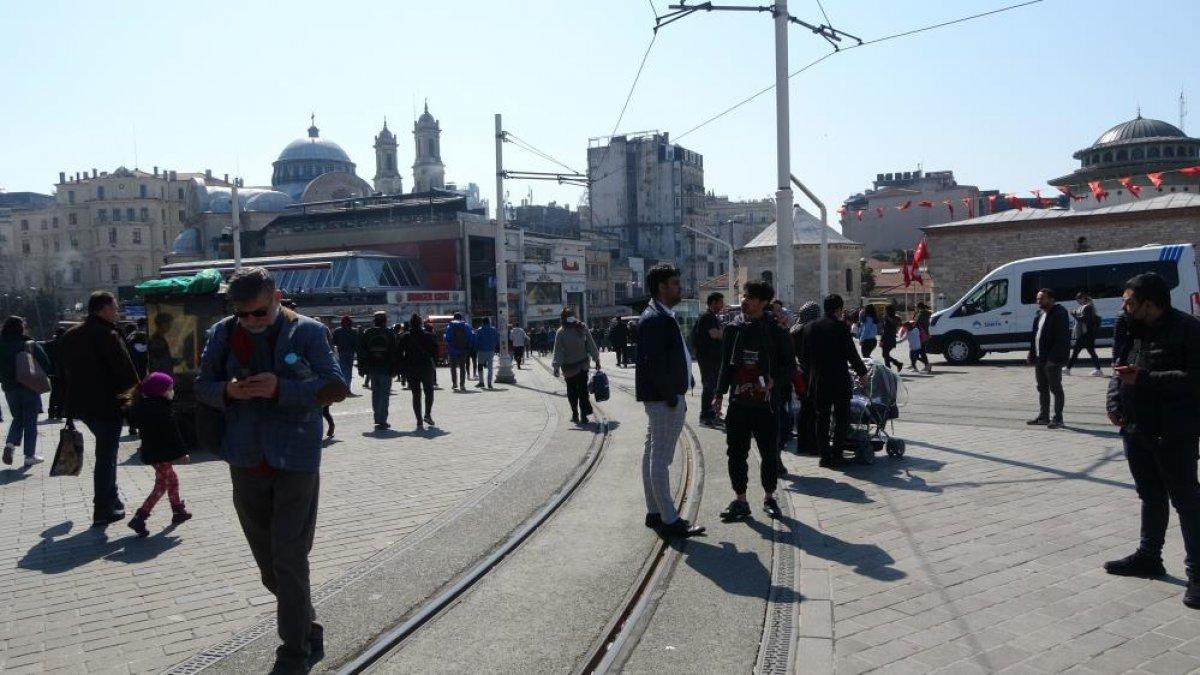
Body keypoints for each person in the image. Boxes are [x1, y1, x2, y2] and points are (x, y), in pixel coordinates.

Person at [195, 267, 345, 670]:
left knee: (289, 556)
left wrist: (281, 389)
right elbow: (201, 386)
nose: (250, 321)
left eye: (258, 313)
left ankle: (294, 649)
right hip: (245, 458)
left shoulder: (308, 331)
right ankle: (306, 624)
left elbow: (335, 387)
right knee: (270, 566)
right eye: (242, 314)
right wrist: (228, 390)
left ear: (276, 298)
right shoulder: (222, 333)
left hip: (296, 458)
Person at [1104, 272, 1200, 609]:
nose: (1124, 307)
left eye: (1129, 302)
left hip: (1175, 430)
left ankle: (1197, 574)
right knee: (1150, 494)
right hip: (1137, 428)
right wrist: (1114, 402)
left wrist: (1144, 379)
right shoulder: (1130, 327)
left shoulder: (1188, 329)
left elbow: (1194, 379)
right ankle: (1149, 556)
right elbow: (1119, 367)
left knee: (1187, 501)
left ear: (1150, 304)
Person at [713, 280, 792, 520]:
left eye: (751, 297)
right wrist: (719, 394)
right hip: (738, 402)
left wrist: (774, 381)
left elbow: (789, 367)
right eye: (744, 296)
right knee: (736, 453)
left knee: (769, 453)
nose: (745, 300)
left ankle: (769, 497)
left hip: (767, 404)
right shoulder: (733, 329)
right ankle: (740, 500)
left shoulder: (777, 329)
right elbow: (725, 365)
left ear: (764, 302)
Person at [60, 292, 141, 526]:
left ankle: (112, 500)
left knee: (106, 452)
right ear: (104, 308)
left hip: (82, 405)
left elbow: (63, 372)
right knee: (106, 455)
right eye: (115, 307)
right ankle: (103, 508)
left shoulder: (71, 335)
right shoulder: (108, 335)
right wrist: (138, 397)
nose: (117, 311)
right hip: (107, 405)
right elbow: (125, 371)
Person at [635, 264, 704, 538]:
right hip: (664, 400)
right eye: (675, 283)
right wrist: (671, 396)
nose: (680, 287)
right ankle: (669, 519)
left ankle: (655, 512)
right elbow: (654, 364)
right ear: (662, 287)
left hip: (662, 397)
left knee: (652, 453)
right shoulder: (656, 319)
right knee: (660, 458)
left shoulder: (660, 315)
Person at [799, 294, 868, 469]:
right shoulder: (841, 327)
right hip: (839, 379)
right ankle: (837, 455)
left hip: (818, 380)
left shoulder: (810, 327)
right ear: (839, 309)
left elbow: (804, 356)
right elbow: (851, 353)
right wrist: (862, 373)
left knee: (821, 418)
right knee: (841, 418)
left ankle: (824, 456)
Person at [126, 372, 192, 537]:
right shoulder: (162, 410)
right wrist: (182, 453)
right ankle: (140, 517)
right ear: (160, 392)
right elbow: (173, 434)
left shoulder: (145, 406)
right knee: (162, 485)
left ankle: (177, 510)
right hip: (160, 454)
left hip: (153, 453)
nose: (172, 391)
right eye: (170, 388)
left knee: (172, 480)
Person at [0, 316, 52, 467]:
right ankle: (29, 455)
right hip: (29, 386)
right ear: (21, 328)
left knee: (18, 418)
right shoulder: (28, 343)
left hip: (10, 388)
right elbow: (46, 363)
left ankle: (10, 444)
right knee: (30, 420)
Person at [1026, 288, 1070, 429]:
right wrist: (1031, 353)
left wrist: (1053, 358)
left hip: (1053, 359)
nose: (1038, 301)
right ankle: (1043, 417)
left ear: (1051, 299)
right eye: (1038, 299)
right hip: (1040, 358)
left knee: (1055, 388)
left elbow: (1062, 339)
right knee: (1042, 388)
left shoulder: (1060, 314)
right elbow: (1035, 336)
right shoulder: (1039, 314)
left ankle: (1058, 418)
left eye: (1042, 298)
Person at [552, 307, 601, 424]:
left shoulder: (561, 331)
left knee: (572, 391)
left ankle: (576, 414)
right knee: (582, 391)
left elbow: (558, 351)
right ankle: (583, 415)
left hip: (569, 367)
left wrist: (556, 366)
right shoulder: (581, 327)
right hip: (582, 364)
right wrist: (596, 359)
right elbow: (591, 344)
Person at [358, 311, 399, 430]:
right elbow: (394, 352)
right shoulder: (389, 333)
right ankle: (382, 420)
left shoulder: (368, 333)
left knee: (375, 393)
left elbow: (361, 351)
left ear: (374, 321)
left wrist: (362, 368)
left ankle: (377, 418)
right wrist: (395, 368)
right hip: (386, 368)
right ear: (385, 321)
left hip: (372, 368)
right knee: (384, 395)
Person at [791, 301, 822, 456]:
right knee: (812, 411)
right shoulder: (809, 331)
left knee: (804, 410)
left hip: (799, 373)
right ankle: (812, 444)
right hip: (810, 373)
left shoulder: (794, 330)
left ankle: (802, 444)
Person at [398, 314, 438, 430]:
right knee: (429, 392)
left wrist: (403, 366)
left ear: (410, 324)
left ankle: (419, 421)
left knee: (416, 394)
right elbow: (435, 351)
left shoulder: (405, 337)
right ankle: (427, 414)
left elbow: (399, 353)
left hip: (411, 368)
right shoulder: (428, 336)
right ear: (420, 323)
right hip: (426, 367)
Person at [692, 292, 726, 427]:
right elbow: (714, 334)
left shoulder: (711, 317)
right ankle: (705, 416)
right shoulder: (707, 317)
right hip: (708, 358)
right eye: (720, 302)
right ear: (713, 303)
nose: (722, 305)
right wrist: (726, 333)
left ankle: (712, 415)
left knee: (713, 386)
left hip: (712, 357)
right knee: (709, 386)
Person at [1065, 291, 1103, 377]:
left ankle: (1067, 369)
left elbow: (1085, 319)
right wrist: (1075, 313)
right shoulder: (1083, 307)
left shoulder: (1088, 307)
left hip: (1085, 334)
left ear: (1082, 298)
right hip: (1087, 334)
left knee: (1076, 351)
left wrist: (1074, 314)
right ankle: (1098, 370)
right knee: (1090, 352)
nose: (1077, 301)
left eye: (1078, 299)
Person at [125, 318, 149, 437]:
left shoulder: (129, 339)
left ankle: (133, 426)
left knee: (133, 401)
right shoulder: (145, 338)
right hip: (144, 376)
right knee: (142, 402)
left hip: (132, 375)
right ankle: (140, 426)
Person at [444, 312, 474, 391]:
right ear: (461, 318)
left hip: (452, 350)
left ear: (454, 318)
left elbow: (446, 338)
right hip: (463, 349)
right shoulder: (466, 326)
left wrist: (449, 347)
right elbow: (470, 337)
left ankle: (454, 383)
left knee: (453, 367)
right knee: (462, 367)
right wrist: (469, 347)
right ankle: (462, 385)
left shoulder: (450, 326)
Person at [331, 315, 359, 394]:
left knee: (342, 370)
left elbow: (334, 342)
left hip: (341, 353)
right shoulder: (354, 331)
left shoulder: (337, 331)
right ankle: (347, 388)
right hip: (350, 353)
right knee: (349, 371)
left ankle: (342, 388)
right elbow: (356, 343)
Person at [44, 326, 66, 421]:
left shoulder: (48, 344)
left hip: (52, 372)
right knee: (63, 392)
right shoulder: (65, 344)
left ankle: (51, 412)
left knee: (54, 392)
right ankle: (60, 412)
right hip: (63, 371)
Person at [473, 317, 501, 389]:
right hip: (491, 351)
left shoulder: (479, 330)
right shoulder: (493, 330)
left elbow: (476, 340)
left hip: (481, 351)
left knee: (480, 365)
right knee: (490, 367)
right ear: (489, 322)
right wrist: (496, 347)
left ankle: (481, 382)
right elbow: (498, 338)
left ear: (482, 323)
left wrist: (475, 348)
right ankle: (489, 383)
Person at [879, 304, 905, 373]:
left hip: (887, 339)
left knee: (885, 354)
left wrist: (881, 340)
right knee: (885, 354)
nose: (884, 311)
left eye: (885, 310)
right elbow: (897, 327)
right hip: (892, 338)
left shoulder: (887, 319)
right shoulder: (895, 318)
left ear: (887, 311)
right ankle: (892, 367)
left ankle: (894, 366)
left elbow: (885, 331)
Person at [915, 302, 933, 374]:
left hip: (922, 335)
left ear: (919, 307)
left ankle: (927, 365)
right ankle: (926, 365)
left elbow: (917, 324)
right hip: (926, 334)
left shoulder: (921, 315)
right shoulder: (927, 314)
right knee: (921, 351)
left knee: (920, 351)